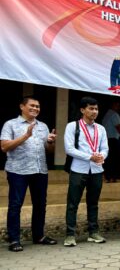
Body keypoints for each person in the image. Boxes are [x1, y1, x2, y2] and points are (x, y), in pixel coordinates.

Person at [1, 96, 58, 252]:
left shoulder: (43, 126)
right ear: (22, 106)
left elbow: (49, 151)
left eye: (38, 106)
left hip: (40, 170)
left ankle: (39, 236)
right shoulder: (10, 124)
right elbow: (4, 146)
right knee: (15, 205)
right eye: (32, 105)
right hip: (18, 171)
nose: (35, 108)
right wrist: (25, 136)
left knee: (40, 205)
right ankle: (14, 239)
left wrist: (51, 142)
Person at [63, 96, 109, 247]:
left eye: (96, 109)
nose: (94, 111)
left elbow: (105, 148)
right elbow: (69, 149)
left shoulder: (100, 128)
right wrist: (90, 156)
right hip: (78, 170)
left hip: (96, 170)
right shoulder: (72, 126)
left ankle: (93, 232)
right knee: (72, 203)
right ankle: (70, 235)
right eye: (91, 108)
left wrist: (101, 156)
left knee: (93, 203)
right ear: (82, 110)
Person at [101, 101, 120, 182]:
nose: (118, 107)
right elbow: (118, 127)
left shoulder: (106, 115)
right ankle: (114, 177)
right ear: (112, 105)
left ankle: (108, 176)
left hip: (106, 140)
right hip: (114, 140)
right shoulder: (114, 115)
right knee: (115, 159)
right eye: (117, 105)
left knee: (108, 159)